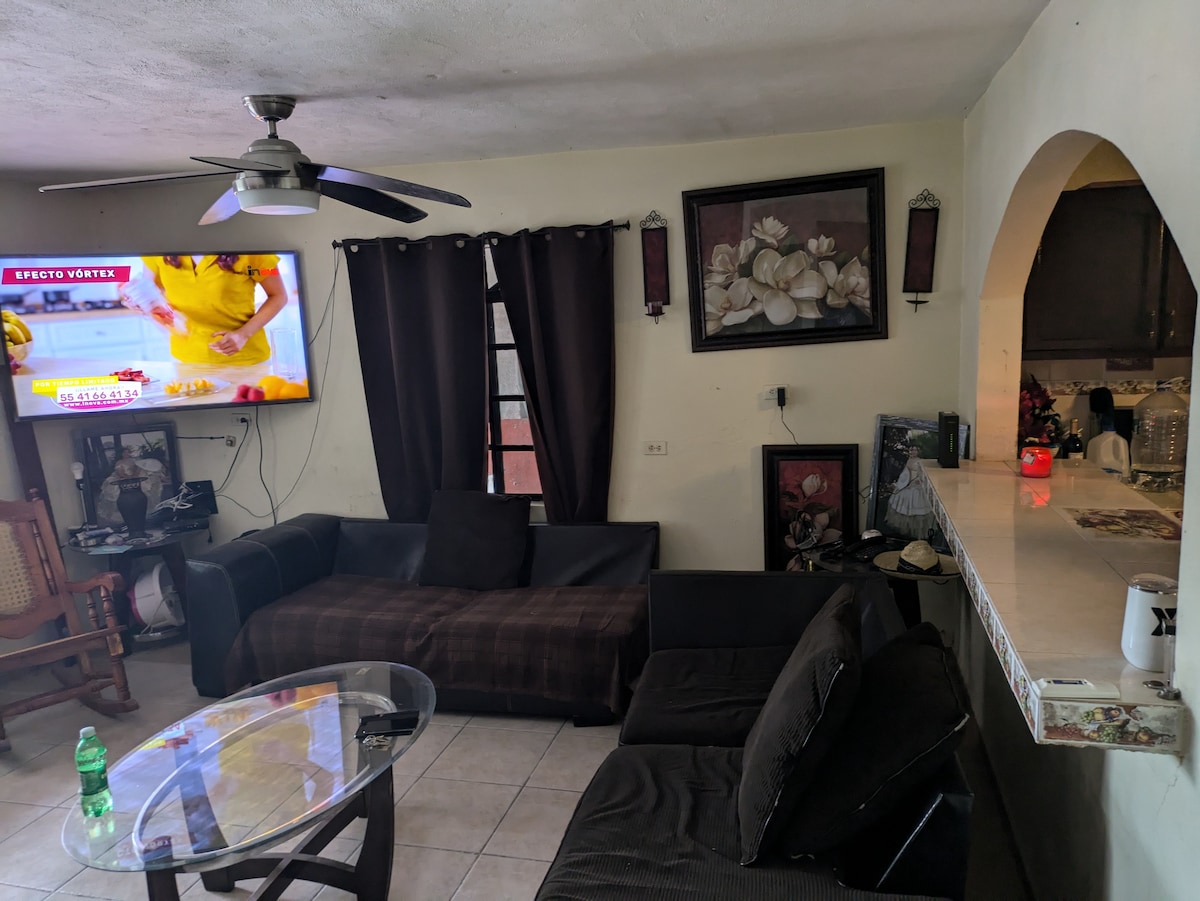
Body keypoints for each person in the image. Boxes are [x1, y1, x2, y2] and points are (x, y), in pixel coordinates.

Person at [135, 253, 288, 365]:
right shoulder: (160, 251)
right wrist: (139, 303)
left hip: (246, 361)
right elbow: (149, 294)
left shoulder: (252, 255)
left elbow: (278, 295)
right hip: (185, 361)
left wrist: (243, 334)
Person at [884, 446, 937, 540]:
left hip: (916, 485)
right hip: (907, 483)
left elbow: (922, 473)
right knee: (902, 501)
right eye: (911, 450)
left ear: (918, 451)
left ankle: (916, 533)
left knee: (916, 502)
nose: (913, 452)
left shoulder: (920, 461)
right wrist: (902, 483)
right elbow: (905, 473)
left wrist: (919, 480)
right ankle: (904, 532)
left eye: (915, 450)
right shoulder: (908, 460)